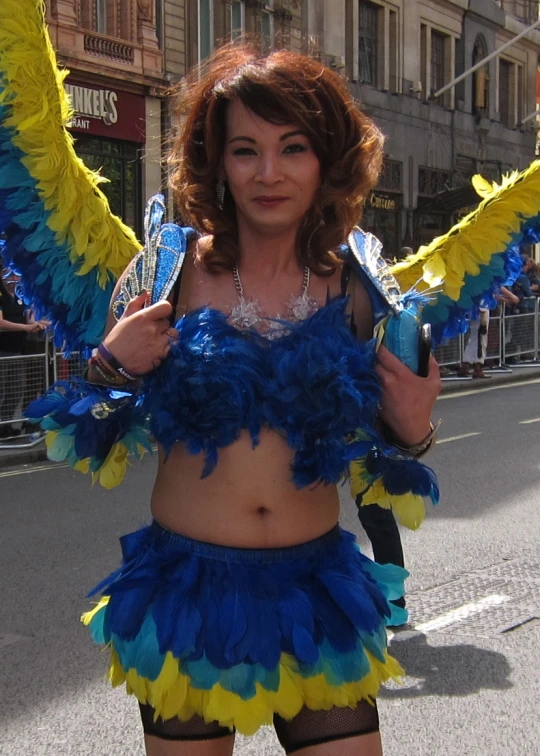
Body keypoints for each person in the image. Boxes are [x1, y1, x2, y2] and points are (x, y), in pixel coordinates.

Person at [27, 46, 440, 755]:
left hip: (317, 592)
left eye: (294, 148)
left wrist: (411, 435)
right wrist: (106, 369)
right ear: (216, 162)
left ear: (327, 160)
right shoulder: (164, 273)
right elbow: (76, 440)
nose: (269, 173)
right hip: (187, 591)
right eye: (245, 150)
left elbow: (387, 451)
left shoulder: (361, 291)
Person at [0, 270, 45, 438]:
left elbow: (29, 318)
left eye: (15, 275)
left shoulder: (20, 294)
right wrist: (25, 328)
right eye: (7, 275)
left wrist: (37, 324)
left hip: (17, 351)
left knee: (15, 390)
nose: (12, 279)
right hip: (2, 351)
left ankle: (5, 426)